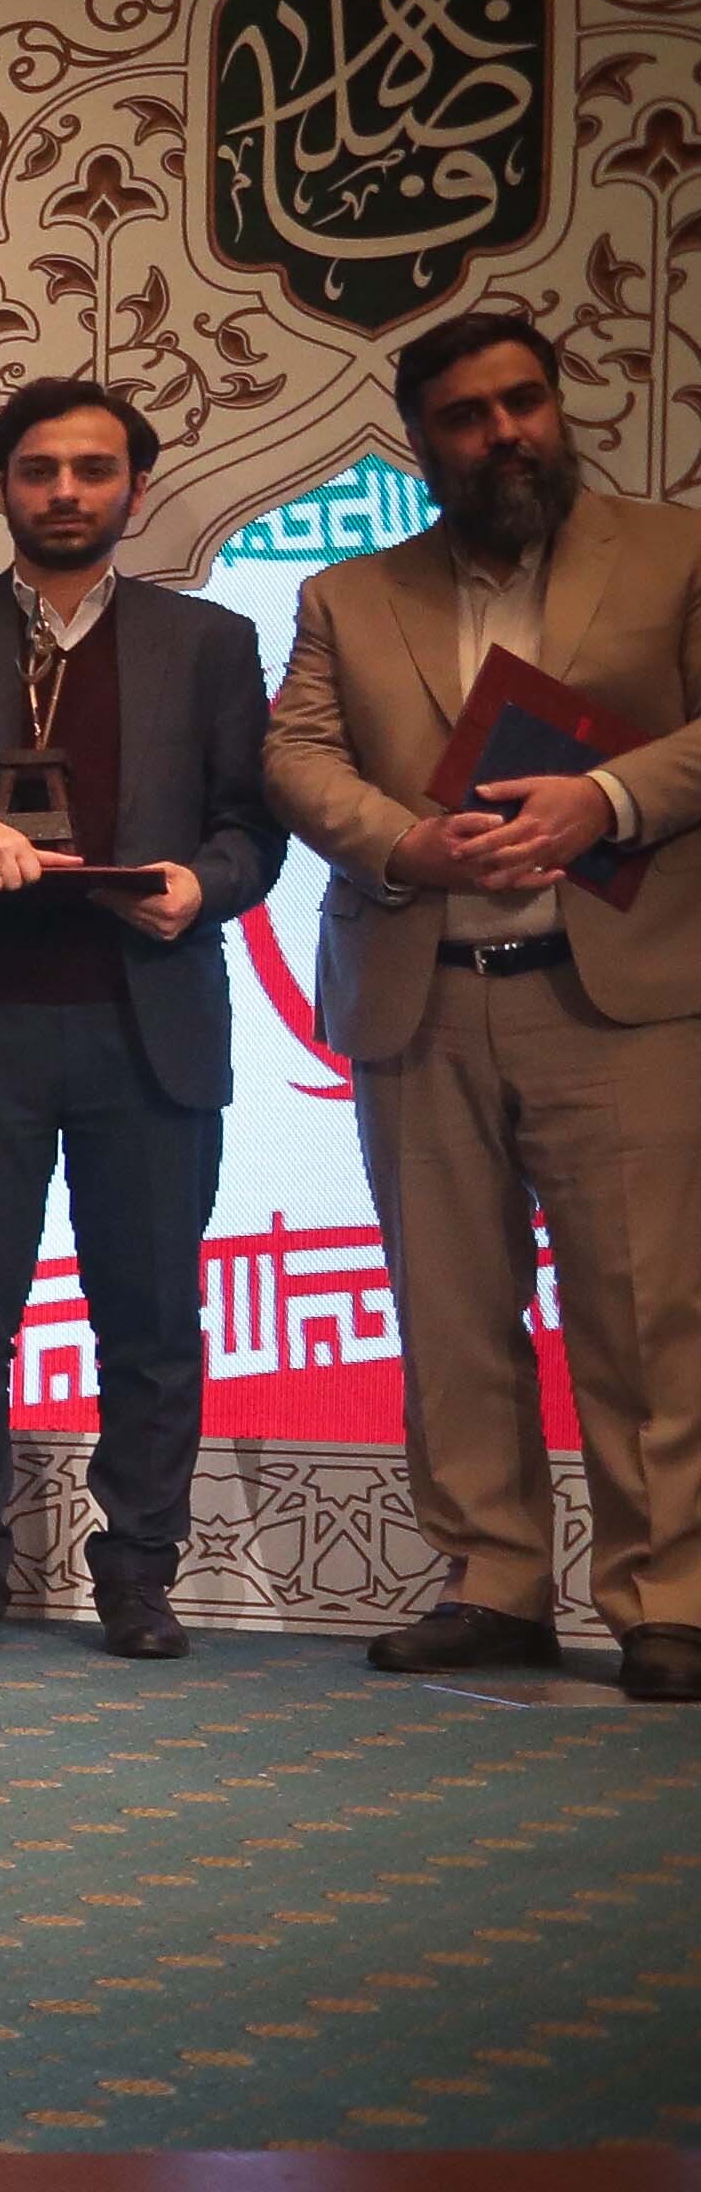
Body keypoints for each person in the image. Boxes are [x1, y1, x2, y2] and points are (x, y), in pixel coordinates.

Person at [262, 305, 701, 1699]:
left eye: (523, 402)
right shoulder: (349, 593)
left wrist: (604, 798)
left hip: (615, 995)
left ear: (558, 407)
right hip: (424, 992)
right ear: (423, 443)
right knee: (451, 1311)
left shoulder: (675, 553)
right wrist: (407, 843)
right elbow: (298, 755)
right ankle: (495, 1582)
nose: (504, 433)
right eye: (467, 416)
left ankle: (666, 1597)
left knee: (646, 1312)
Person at [0, 379, 281, 1662]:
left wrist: (204, 884)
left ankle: (139, 1573)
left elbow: (252, 826)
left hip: (143, 1025)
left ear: (135, 489)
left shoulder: (207, 643)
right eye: (40, 469)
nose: (66, 491)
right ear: (4, 485)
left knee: (150, 1321)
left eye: (94, 470)